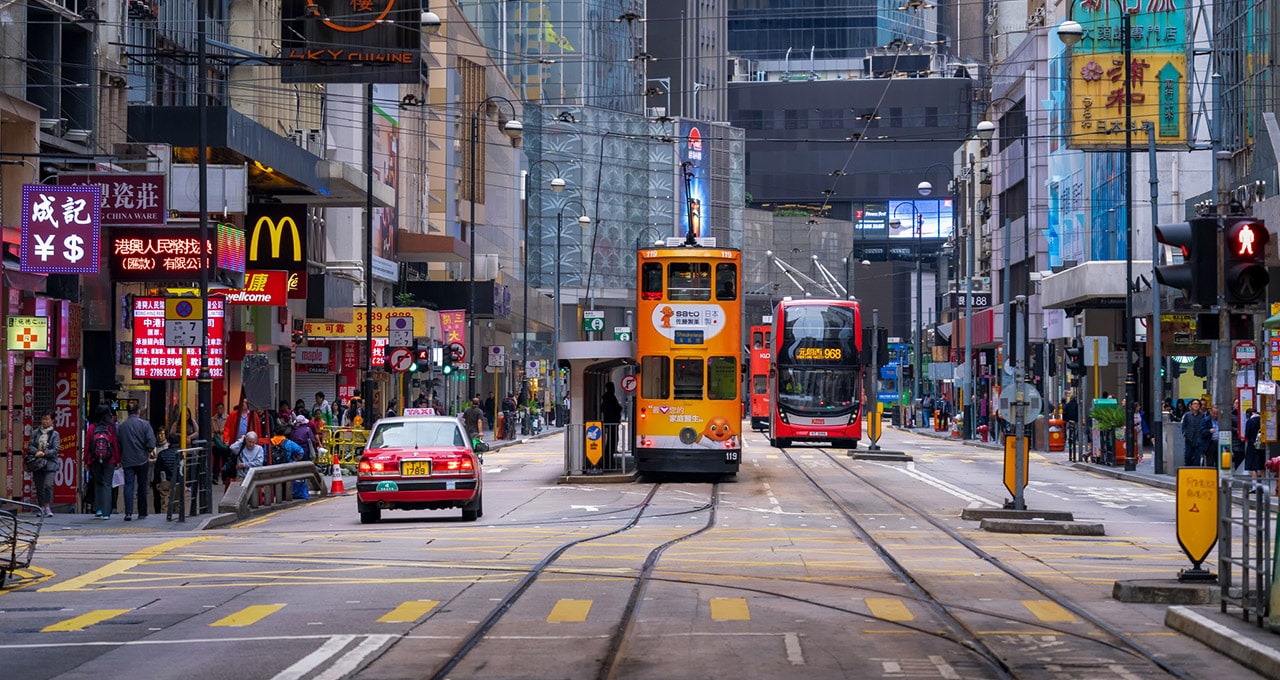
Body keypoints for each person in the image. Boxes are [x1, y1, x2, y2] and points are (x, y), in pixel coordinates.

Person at [117, 402, 157, 521]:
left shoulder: (122, 427)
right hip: (142, 460)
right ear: (138, 411)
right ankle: (142, 512)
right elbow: (151, 441)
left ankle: (128, 512)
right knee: (142, 486)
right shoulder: (145, 425)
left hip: (127, 460)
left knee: (128, 485)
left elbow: (118, 443)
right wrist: (148, 451)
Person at [84, 405, 121, 519]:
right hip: (109, 460)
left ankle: (98, 509)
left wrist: (86, 461)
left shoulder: (91, 427)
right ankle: (106, 513)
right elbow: (115, 444)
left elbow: (87, 446)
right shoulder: (111, 428)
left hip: (95, 460)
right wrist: (118, 460)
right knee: (107, 485)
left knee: (98, 483)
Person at [26, 411, 60, 517]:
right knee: (39, 486)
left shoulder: (55, 434)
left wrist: (44, 453)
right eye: (43, 419)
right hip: (37, 463)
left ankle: (47, 506)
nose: (45, 421)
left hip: (50, 463)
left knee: (48, 485)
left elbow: (56, 449)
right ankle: (41, 507)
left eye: (47, 419)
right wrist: (36, 452)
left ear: (52, 421)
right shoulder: (36, 432)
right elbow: (30, 445)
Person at [152, 427, 179, 515]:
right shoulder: (180, 453)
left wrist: (156, 482)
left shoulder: (162, 454)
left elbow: (157, 470)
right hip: (178, 480)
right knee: (177, 502)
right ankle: (177, 518)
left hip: (165, 480)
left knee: (165, 503)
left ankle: (164, 518)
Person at [601, 382, 623, 458]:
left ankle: (610, 457)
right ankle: (608, 458)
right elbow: (618, 408)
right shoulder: (610, 397)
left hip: (611, 421)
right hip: (612, 421)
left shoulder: (607, 397)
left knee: (612, 440)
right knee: (612, 440)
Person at [1180, 399, 1205, 466]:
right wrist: (1184, 433)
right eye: (1194, 404)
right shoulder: (1187, 415)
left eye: (1197, 404)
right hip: (1189, 439)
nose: (1196, 405)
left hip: (1198, 439)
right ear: (1191, 405)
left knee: (1197, 458)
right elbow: (1183, 426)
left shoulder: (1202, 416)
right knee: (1187, 456)